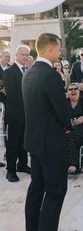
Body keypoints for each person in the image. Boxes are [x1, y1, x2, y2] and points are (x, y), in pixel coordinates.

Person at [22, 33, 72, 231]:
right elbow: (61, 110)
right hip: (51, 145)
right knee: (56, 191)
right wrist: (69, 126)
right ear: (50, 49)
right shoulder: (51, 75)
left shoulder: (29, 72)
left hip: (34, 142)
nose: (60, 53)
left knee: (36, 189)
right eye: (59, 49)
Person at [3, 45, 31, 182]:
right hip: (15, 114)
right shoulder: (9, 72)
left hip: (27, 114)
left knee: (24, 141)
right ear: (17, 55)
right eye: (23, 55)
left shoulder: (28, 71)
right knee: (13, 142)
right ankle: (11, 170)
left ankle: (23, 165)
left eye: (27, 55)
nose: (25, 57)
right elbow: (13, 95)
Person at [65, 83, 83, 174]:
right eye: (70, 89)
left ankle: (73, 164)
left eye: (75, 89)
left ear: (79, 91)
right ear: (67, 92)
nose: (73, 91)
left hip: (82, 128)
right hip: (67, 128)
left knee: (71, 134)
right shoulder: (64, 103)